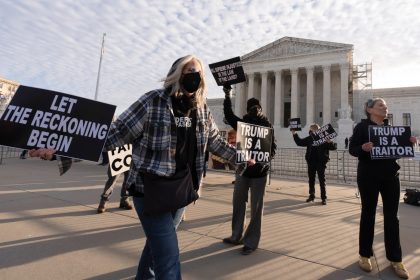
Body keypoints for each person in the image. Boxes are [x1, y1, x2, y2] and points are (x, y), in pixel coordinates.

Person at [31, 55, 239, 280]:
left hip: (182, 190)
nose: (194, 76)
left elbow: (216, 142)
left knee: (155, 249)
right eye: (189, 70)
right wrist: (61, 150)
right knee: (168, 256)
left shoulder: (202, 110)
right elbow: (114, 136)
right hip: (150, 190)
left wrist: (243, 159)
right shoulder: (153, 101)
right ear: (176, 74)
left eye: (198, 72)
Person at [349, 98, 416, 279]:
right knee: (368, 214)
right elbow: (352, 149)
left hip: (390, 175)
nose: (385, 108)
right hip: (368, 175)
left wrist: (409, 144)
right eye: (381, 105)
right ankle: (365, 255)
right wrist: (363, 148)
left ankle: (396, 259)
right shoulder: (362, 128)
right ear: (369, 109)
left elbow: (397, 151)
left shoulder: (391, 129)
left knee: (392, 217)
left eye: (386, 106)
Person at [222, 84, 276, 255]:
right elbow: (228, 115)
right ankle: (236, 235)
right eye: (252, 107)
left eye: (257, 107)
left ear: (260, 108)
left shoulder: (267, 125)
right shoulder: (242, 124)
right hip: (242, 171)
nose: (255, 109)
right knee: (238, 203)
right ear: (247, 109)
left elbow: (272, 148)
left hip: (259, 172)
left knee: (256, 208)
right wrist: (227, 95)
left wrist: (263, 161)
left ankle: (251, 242)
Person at [292, 124, 337, 205]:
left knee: (322, 180)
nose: (311, 131)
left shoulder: (324, 139)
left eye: (312, 130)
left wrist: (330, 142)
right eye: (311, 130)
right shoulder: (310, 138)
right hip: (311, 161)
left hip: (321, 162)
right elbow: (299, 142)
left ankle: (324, 198)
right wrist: (294, 133)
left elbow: (333, 148)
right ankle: (312, 196)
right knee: (311, 180)